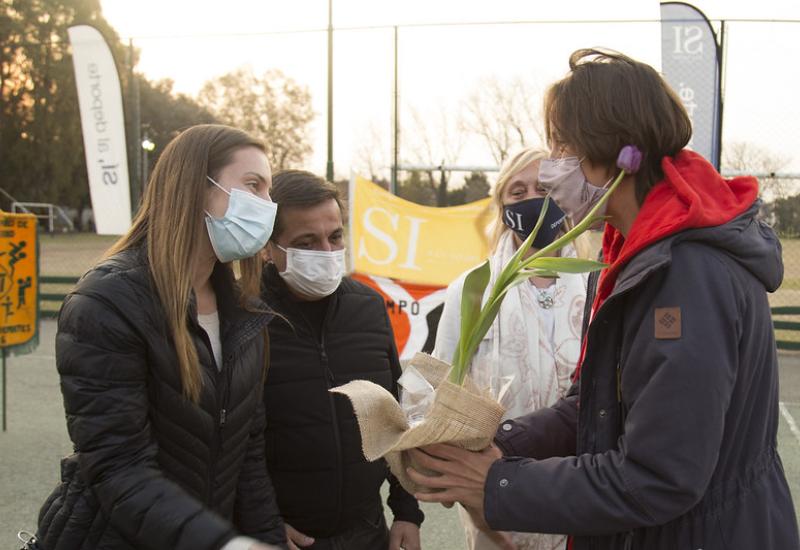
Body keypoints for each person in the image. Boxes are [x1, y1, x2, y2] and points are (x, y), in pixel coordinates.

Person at [407, 49, 800, 550]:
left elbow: (659, 475)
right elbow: (591, 408)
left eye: (562, 146)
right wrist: (499, 444)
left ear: (619, 154)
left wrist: (497, 484)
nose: (551, 170)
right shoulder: (637, 256)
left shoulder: (686, 273)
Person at [34, 124, 287, 550]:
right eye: (252, 186)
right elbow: (117, 465)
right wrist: (221, 543)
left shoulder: (243, 312)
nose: (267, 206)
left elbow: (248, 456)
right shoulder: (107, 301)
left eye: (268, 191)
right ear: (195, 188)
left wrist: (266, 539)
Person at [260, 170, 424, 550]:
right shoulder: (246, 319)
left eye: (335, 237)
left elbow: (393, 416)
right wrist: (262, 519)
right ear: (268, 247)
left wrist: (405, 511)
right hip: (286, 536)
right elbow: (235, 444)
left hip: (368, 530)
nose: (327, 253)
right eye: (306, 242)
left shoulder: (368, 307)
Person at [432, 147, 587, 550]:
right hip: (496, 494)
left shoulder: (596, 287)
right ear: (501, 207)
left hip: (583, 491)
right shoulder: (472, 289)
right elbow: (443, 391)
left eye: (544, 187)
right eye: (518, 192)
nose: (533, 199)